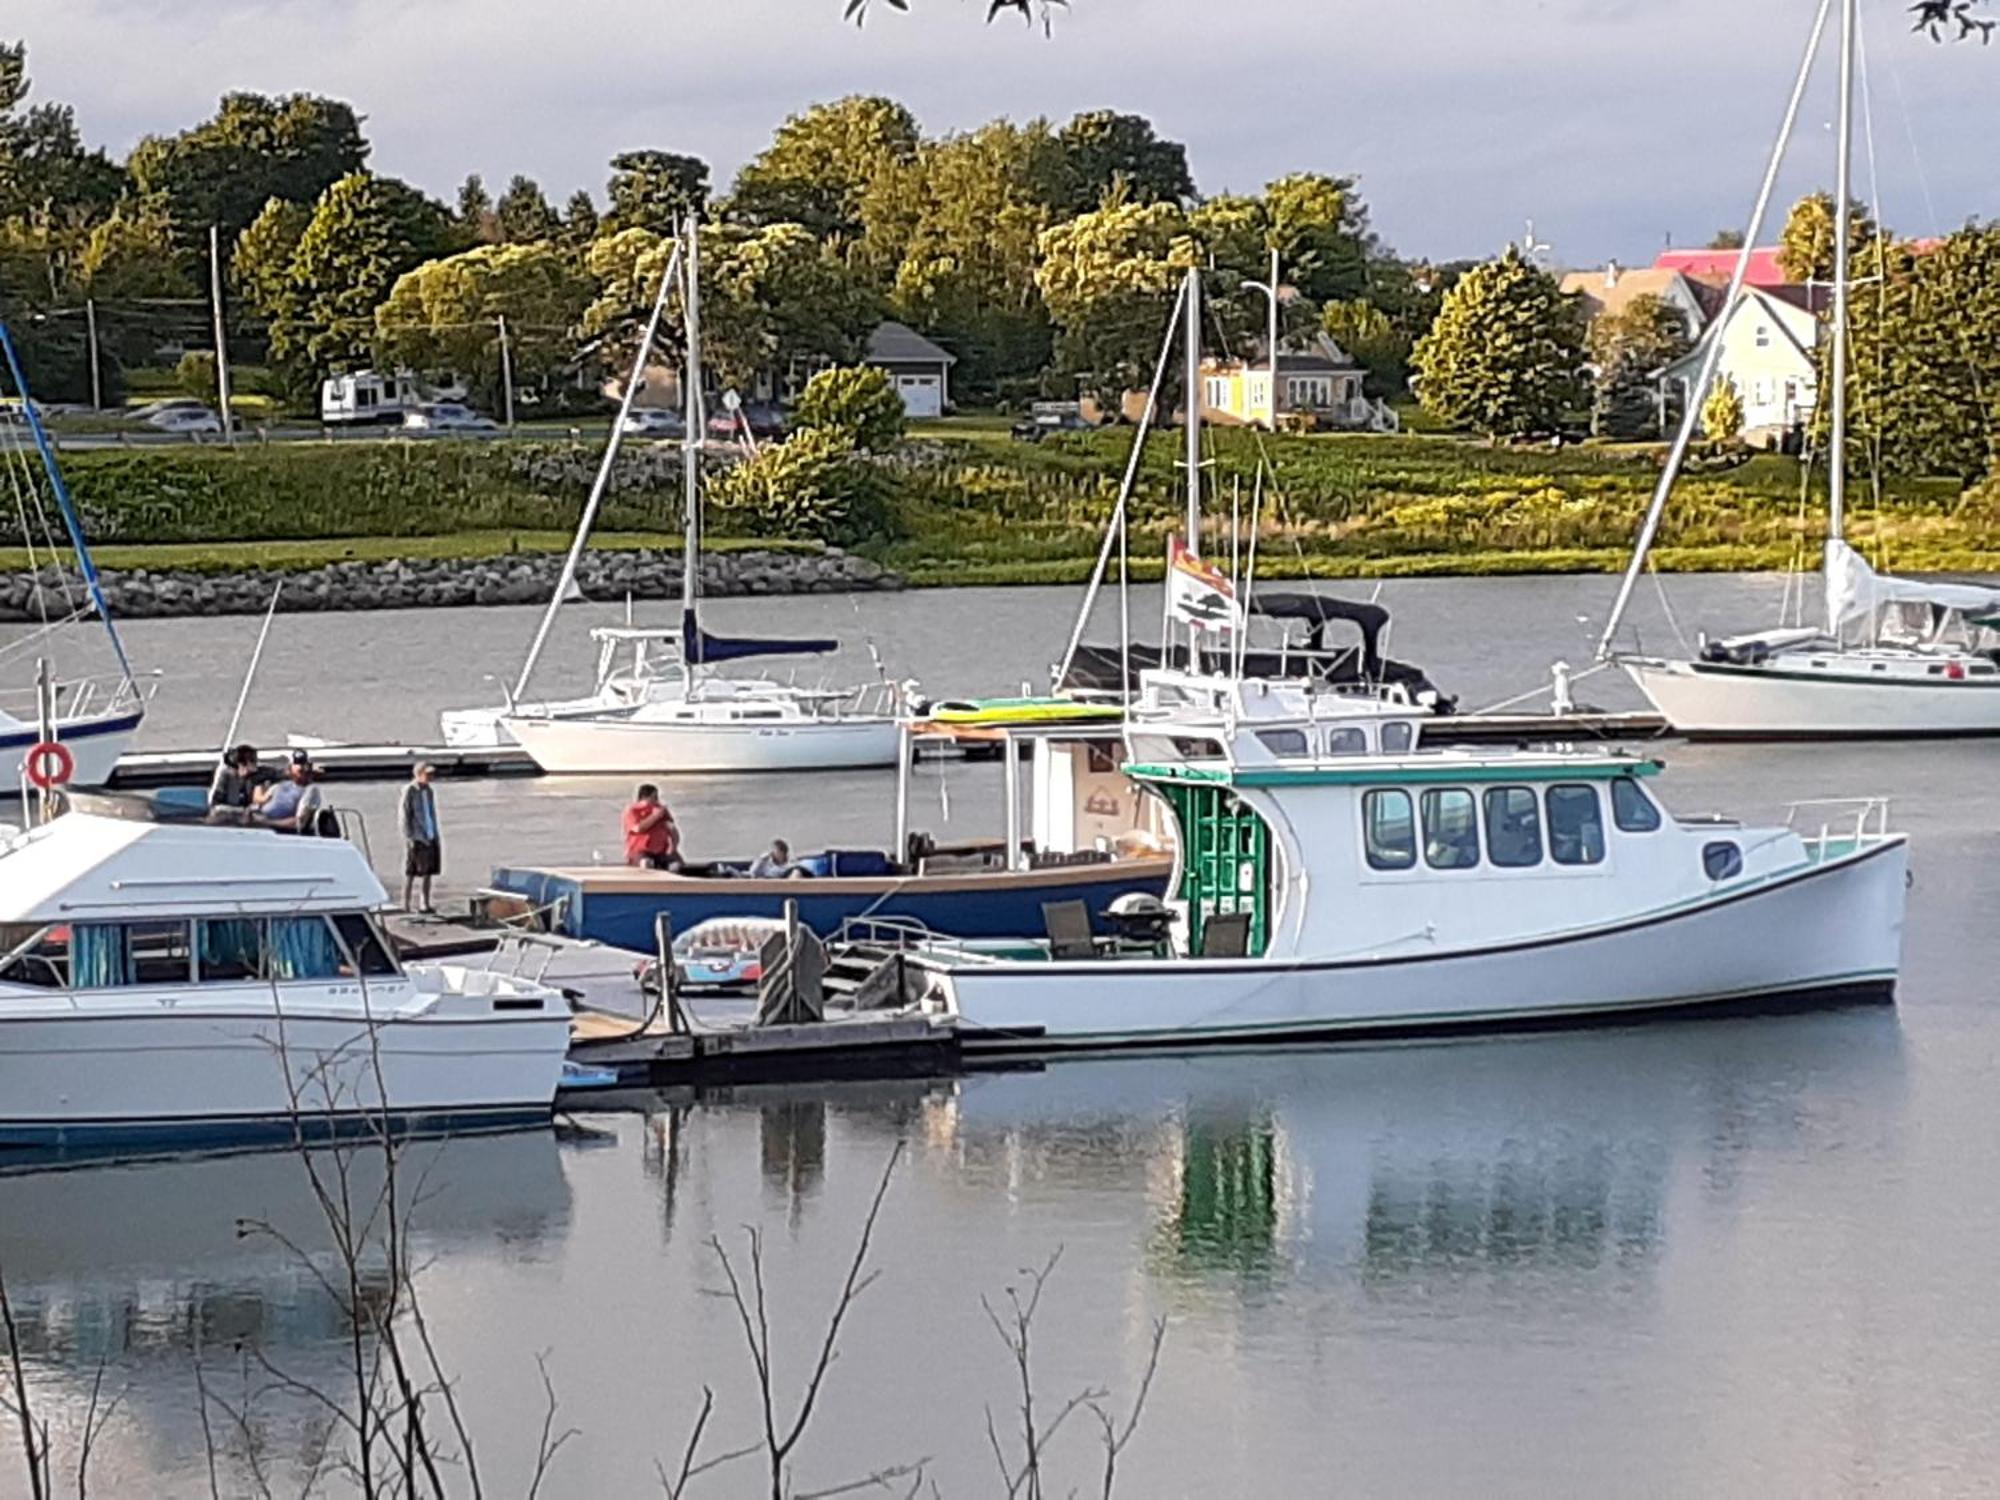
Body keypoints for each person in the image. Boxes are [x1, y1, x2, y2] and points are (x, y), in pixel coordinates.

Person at [399, 762, 443, 913]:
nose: (431, 777)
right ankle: (405, 904)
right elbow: (404, 816)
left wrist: (435, 835)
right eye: (427, 774)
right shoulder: (410, 790)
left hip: (430, 836)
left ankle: (424, 903)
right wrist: (410, 837)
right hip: (416, 838)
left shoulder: (429, 791)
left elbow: (431, 814)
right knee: (411, 872)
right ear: (418, 774)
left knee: (428, 872)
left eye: (432, 774)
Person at [253, 750, 324, 834]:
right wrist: (258, 782)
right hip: (258, 826)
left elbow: (298, 823)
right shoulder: (279, 786)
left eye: (303, 764)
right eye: (296, 763)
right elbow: (259, 801)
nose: (300, 766)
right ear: (290, 767)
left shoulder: (311, 790)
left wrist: (266, 822)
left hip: (279, 832)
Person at [623, 784, 681, 870]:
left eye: (657, 797)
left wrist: (673, 847)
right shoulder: (632, 810)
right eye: (654, 797)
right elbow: (638, 829)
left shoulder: (661, 810)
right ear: (644, 797)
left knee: (676, 865)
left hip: (661, 852)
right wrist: (655, 816)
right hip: (640, 852)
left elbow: (672, 828)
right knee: (646, 863)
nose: (656, 800)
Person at [207, 744, 265, 815]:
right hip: (224, 813)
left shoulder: (255, 777)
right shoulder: (226, 775)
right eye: (253, 761)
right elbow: (215, 803)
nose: (256, 765)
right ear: (241, 764)